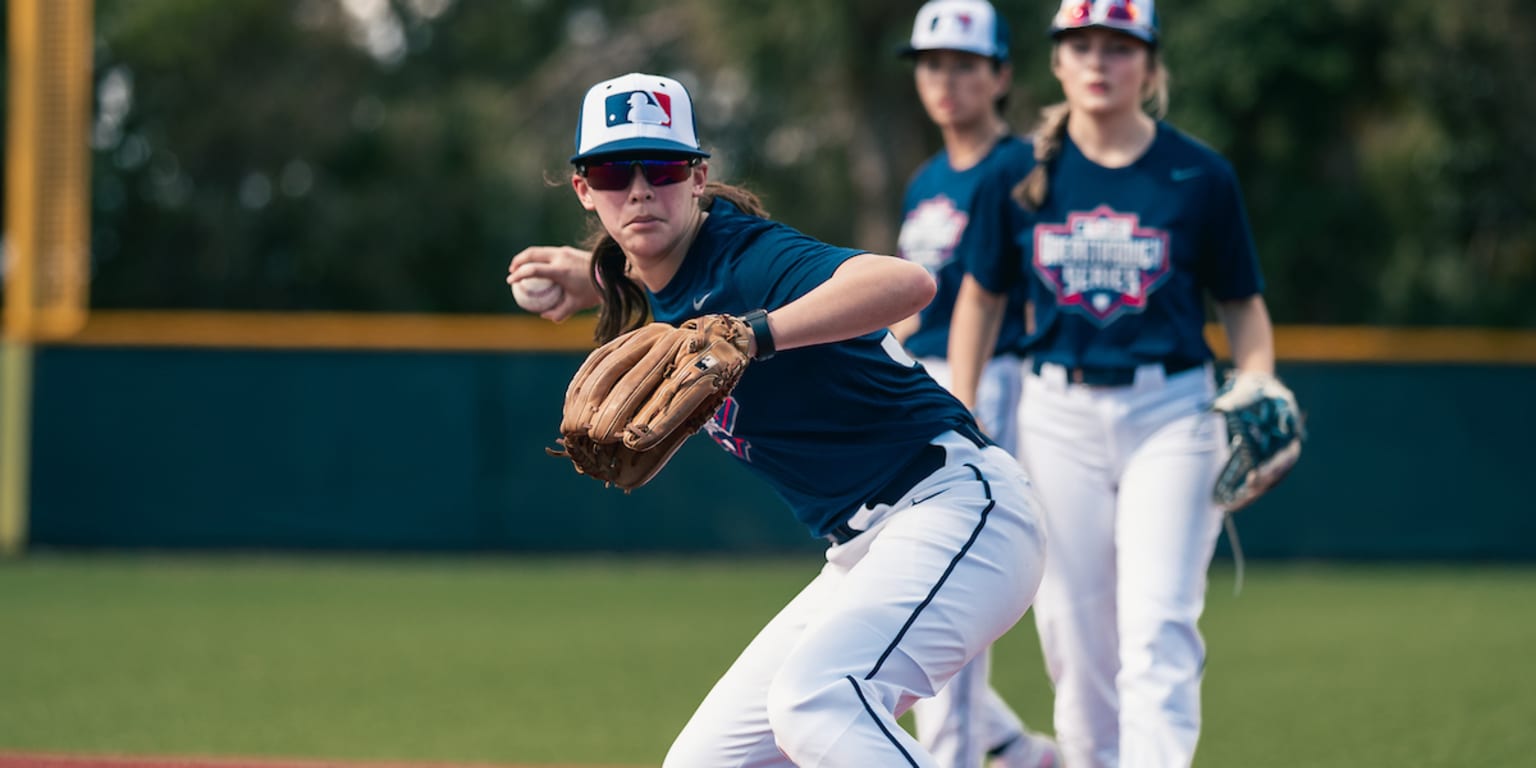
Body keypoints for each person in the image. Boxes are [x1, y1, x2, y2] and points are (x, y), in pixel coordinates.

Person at [508, 71, 1048, 767]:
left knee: (817, 700)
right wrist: (594, 275)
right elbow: (657, 269)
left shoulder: (752, 259)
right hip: (862, 549)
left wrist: (754, 334)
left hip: (957, 509)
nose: (639, 190)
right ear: (585, 189)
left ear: (697, 178)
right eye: (615, 173)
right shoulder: (659, 273)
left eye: (662, 168)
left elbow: (907, 282)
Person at [947, 1, 1281, 766]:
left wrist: (1259, 380)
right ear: (1057, 61)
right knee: (1073, 631)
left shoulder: (1198, 174)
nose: (1099, 61)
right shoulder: (1017, 172)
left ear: (1150, 64)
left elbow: (1242, 307)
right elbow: (981, 297)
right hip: (1055, 413)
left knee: (1159, 621)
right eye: (1082, 44)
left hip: (1173, 411)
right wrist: (963, 403)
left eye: (1120, 46)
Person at [889, 2, 1059, 767]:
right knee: (894, 577)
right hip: (917, 379)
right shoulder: (926, 180)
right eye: (932, 64)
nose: (945, 79)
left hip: (994, 374)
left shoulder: (1021, 167)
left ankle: (957, 754)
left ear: (1000, 76)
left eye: (963, 64)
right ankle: (1015, 749)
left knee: (946, 576)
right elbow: (909, 303)